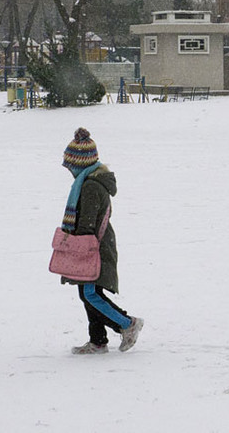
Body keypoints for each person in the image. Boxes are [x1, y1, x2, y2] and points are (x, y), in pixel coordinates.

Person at [60, 128, 143, 354]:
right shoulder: (91, 182)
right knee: (88, 292)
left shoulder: (90, 187)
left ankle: (128, 324)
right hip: (97, 244)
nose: (69, 171)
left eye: (70, 166)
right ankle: (98, 341)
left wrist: (73, 245)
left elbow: (87, 224)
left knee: (90, 293)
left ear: (80, 165)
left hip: (94, 247)